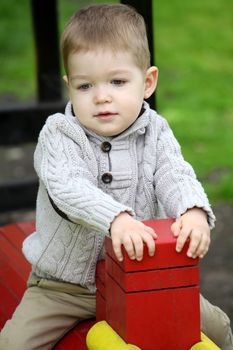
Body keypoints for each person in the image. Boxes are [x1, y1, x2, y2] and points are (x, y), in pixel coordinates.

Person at [0, 4, 232, 350]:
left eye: (117, 81)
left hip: (143, 277)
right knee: (15, 344)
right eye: (85, 86)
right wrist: (116, 219)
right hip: (65, 286)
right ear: (69, 87)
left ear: (148, 82)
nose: (101, 96)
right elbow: (69, 188)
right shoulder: (60, 134)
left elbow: (174, 172)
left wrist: (192, 209)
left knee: (215, 326)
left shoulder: (155, 130)